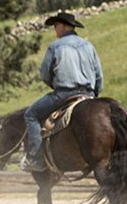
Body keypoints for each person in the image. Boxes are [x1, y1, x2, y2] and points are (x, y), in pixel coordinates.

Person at [21, 11, 103, 172]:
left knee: (30, 115)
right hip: (88, 94)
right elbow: (99, 75)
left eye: (56, 25)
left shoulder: (55, 46)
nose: (55, 29)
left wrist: (56, 85)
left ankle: (36, 159)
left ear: (65, 26)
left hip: (64, 93)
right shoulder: (88, 45)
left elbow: (45, 74)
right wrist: (94, 95)